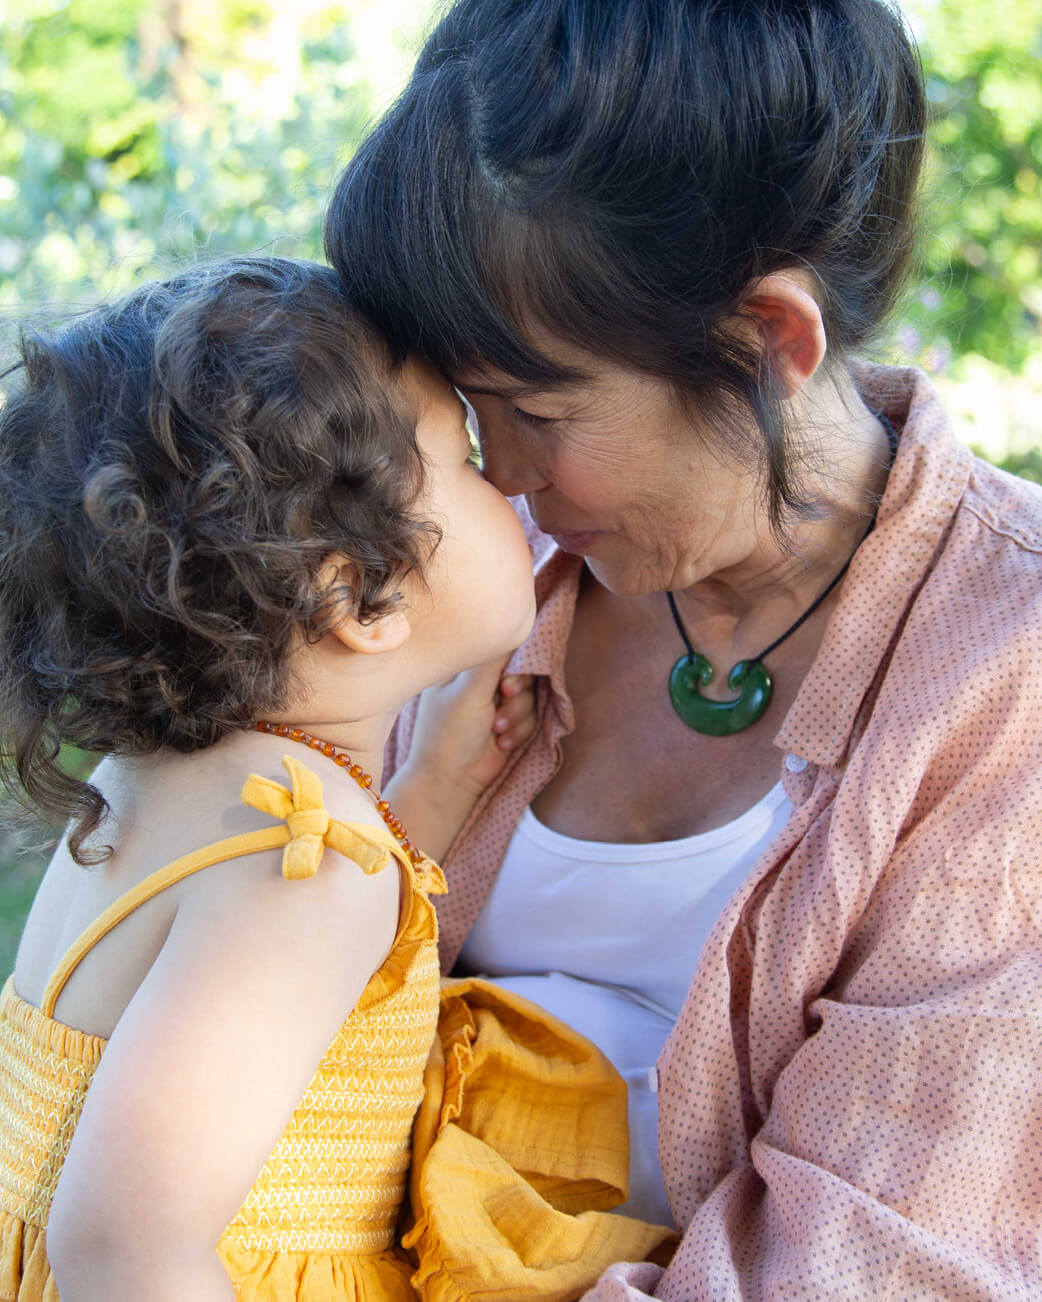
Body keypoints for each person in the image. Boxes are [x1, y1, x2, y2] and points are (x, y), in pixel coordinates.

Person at [323, 0, 1042, 1295]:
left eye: (535, 408)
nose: (497, 472)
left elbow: (862, 1266)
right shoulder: (476, 568)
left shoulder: (1007, 677)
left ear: (769, 342)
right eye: (462, 410)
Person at [0, 257, 673, 1300]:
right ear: (360, 599)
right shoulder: (302, 865)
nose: (507, 481)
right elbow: (126, 1254)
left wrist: (440, 785)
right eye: (462, 458)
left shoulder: (171, 784)